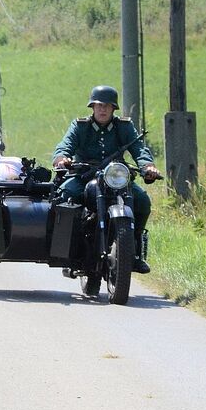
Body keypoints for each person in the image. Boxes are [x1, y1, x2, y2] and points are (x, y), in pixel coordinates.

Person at [52, 85, 161, 273]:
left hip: (115, 178)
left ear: (113, 109)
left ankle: (133, 253)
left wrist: (147, 166)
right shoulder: (80, 126)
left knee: (142, 201)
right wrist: (62, 158)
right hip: (84, 176)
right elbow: (65, 145)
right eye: (99, 105)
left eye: (107, 106)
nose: (102, 109)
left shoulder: (124, 127)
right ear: (92, 107)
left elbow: (139, 150)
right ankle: (67, 251)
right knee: (65, 197)